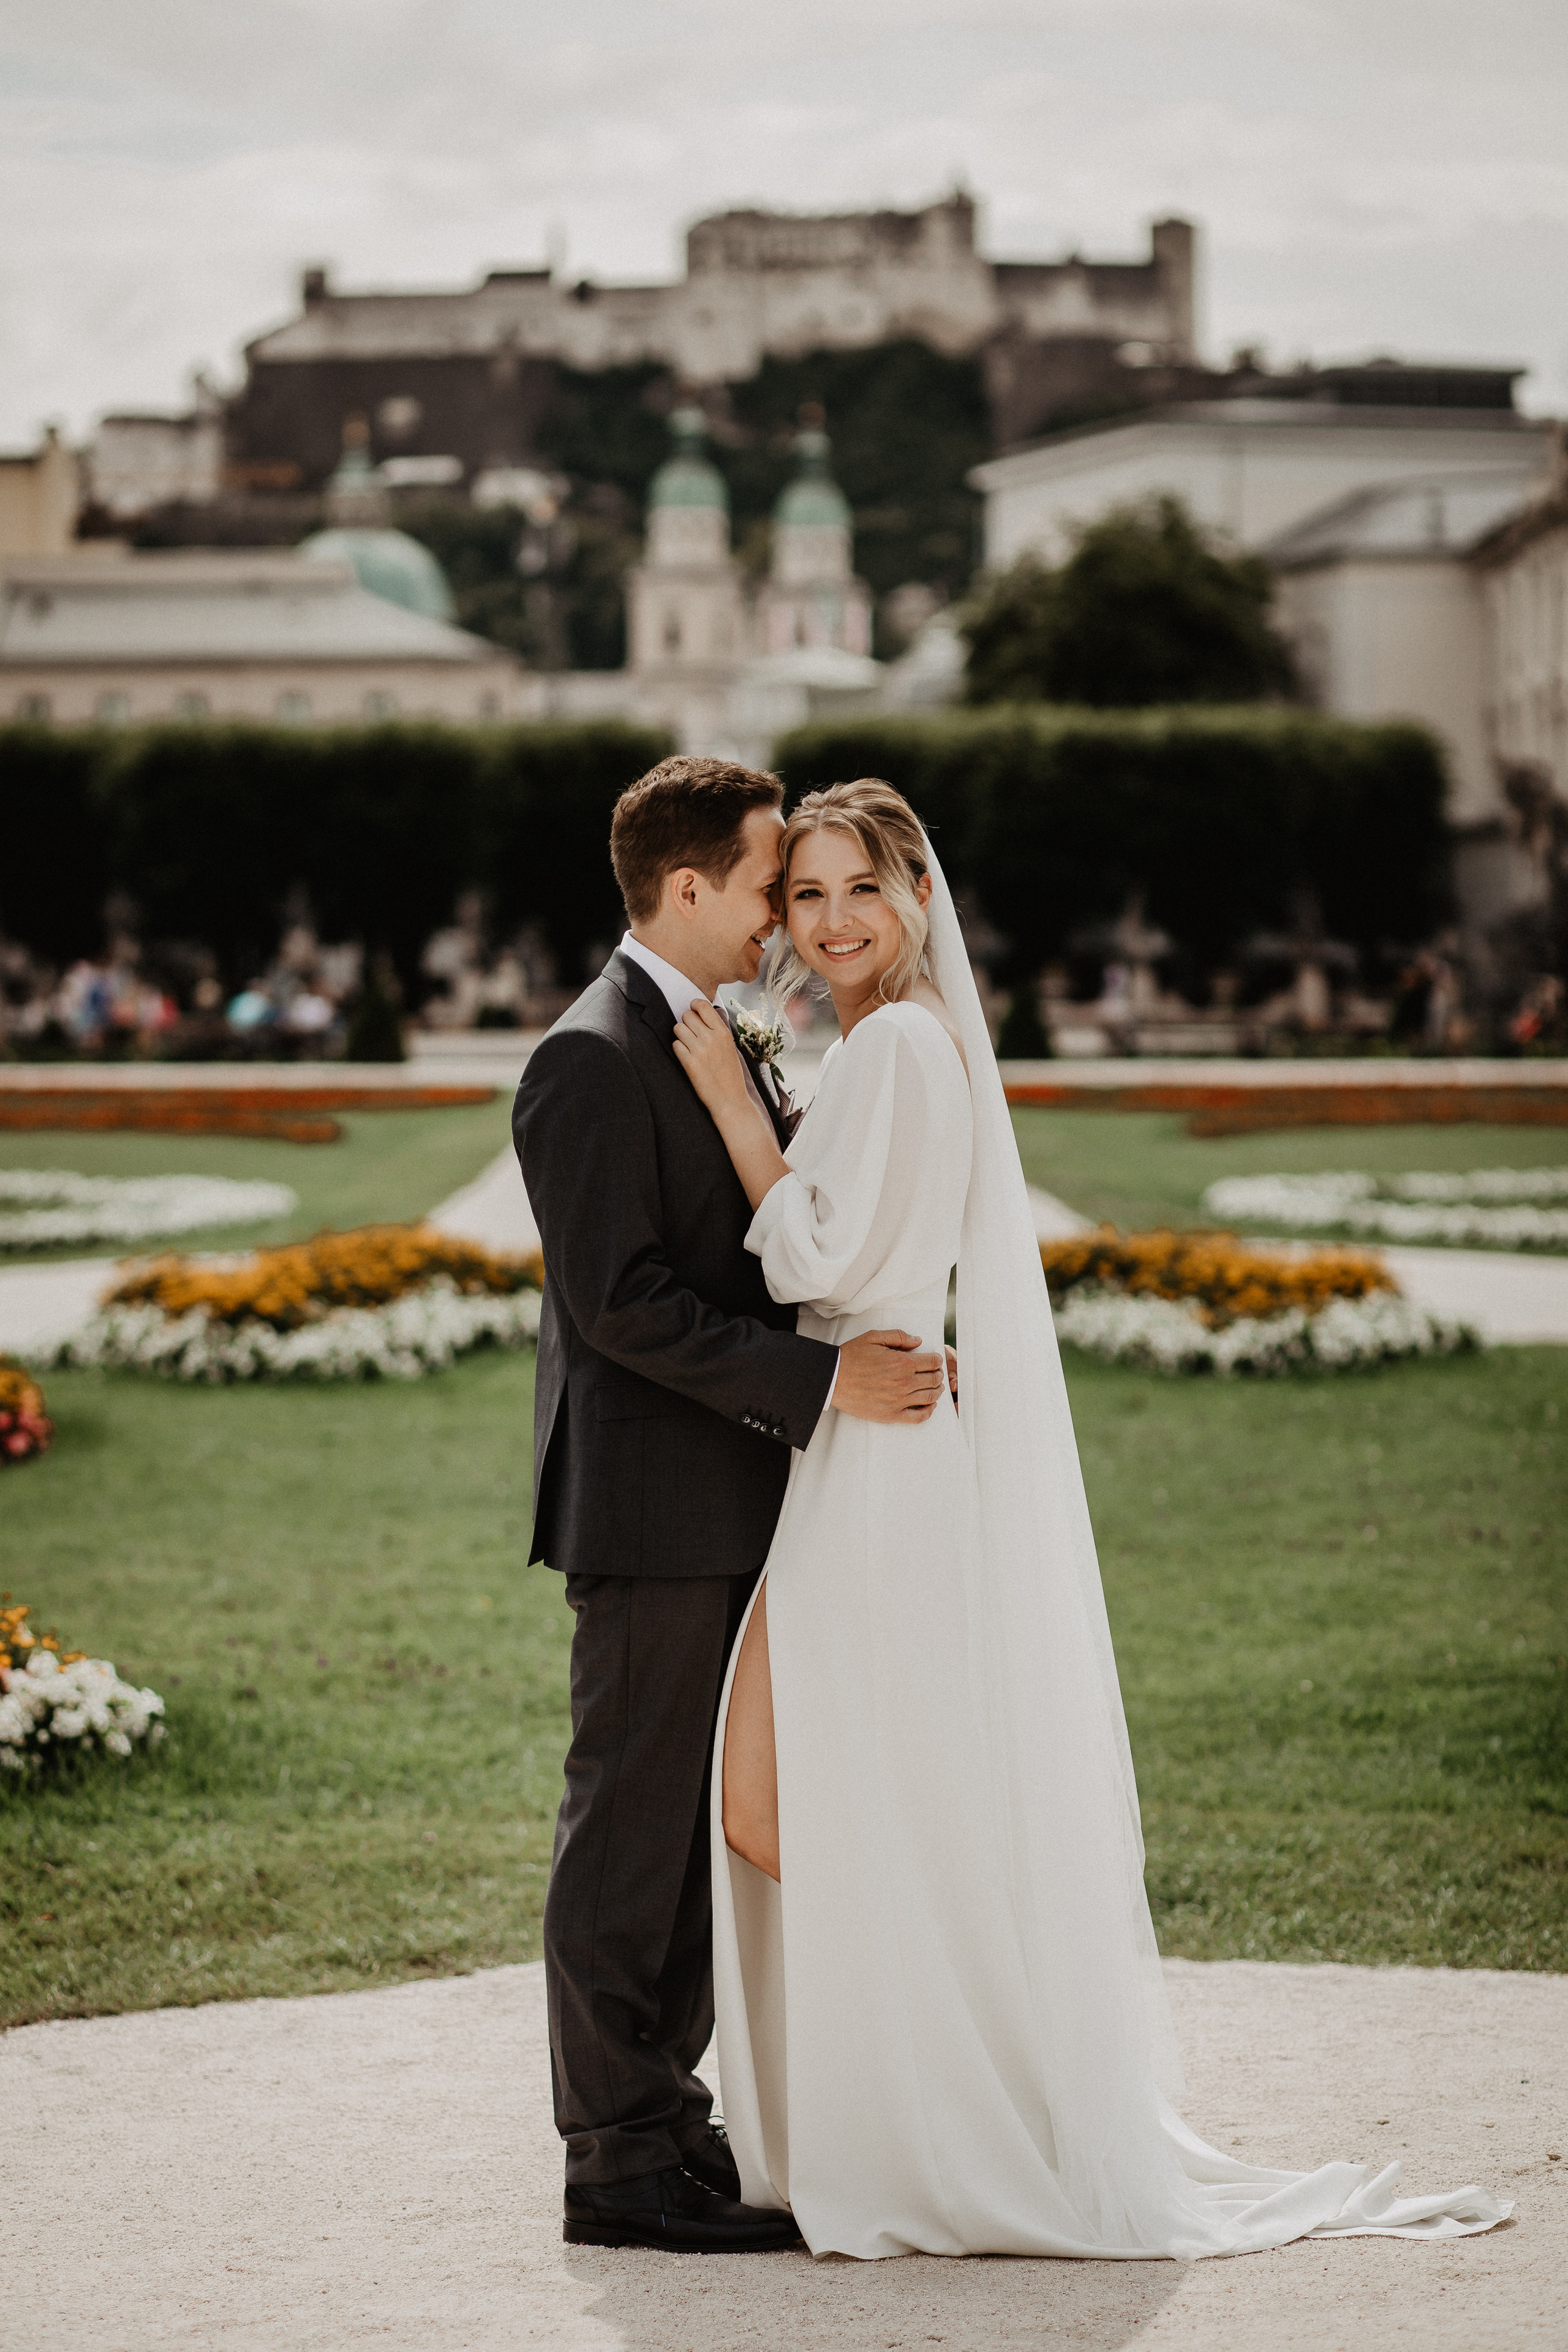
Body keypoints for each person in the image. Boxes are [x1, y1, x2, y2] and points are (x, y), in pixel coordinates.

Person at [672, 776, 1511, 2261]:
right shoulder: (891, 1047)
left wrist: (739, 1110)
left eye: (860, 886)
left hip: (873, 1456)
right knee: (823, 1800)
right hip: (875, 1444)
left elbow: (809, 1251)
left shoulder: (892, 1051)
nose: (831, 918)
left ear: (918, 896)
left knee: (790, 1801)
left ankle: (935, 2102)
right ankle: (928, 2085)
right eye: (804, 895)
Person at [513, 756, 953, 2254]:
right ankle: (615, 2159)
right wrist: (822, 1389)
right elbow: (620, 1306)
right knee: (628, 1833)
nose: (788, 910)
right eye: (773, 880)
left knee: (700, 1832)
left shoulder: (700, 1026)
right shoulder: (588, 1055)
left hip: (737, 1500)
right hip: (648, 1513)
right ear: (690, 889)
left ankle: (670, 2124)